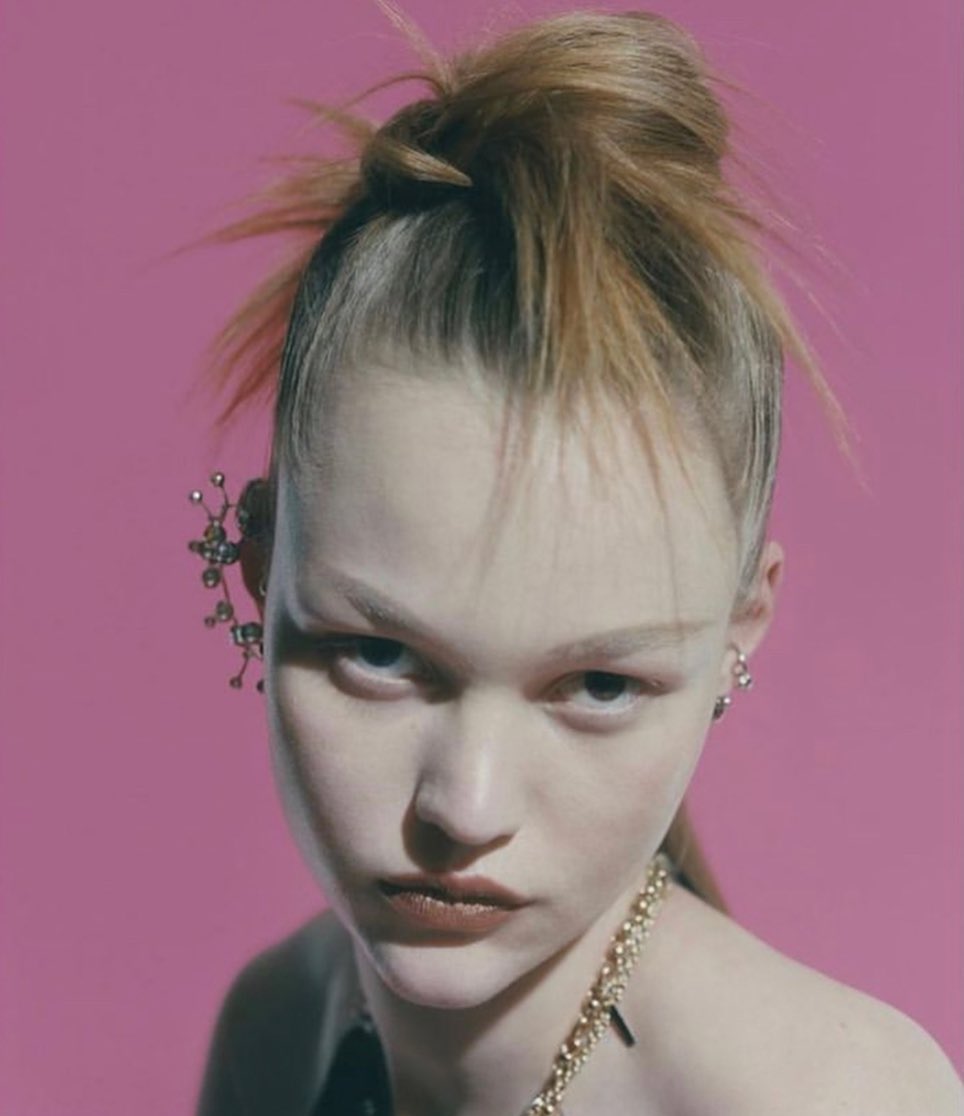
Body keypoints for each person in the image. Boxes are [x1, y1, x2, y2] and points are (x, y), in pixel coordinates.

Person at [190, 7, 963, 1114]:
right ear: (259, 569)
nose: (466, 807)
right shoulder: (274, 1026)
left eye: (599, 684)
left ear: (737, 635)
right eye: (379, 655)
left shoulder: (828, 1095)